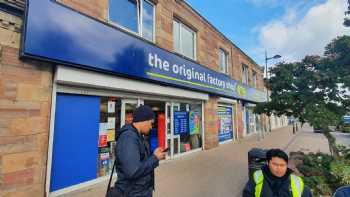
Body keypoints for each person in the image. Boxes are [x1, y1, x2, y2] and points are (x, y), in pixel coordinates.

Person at [114, 105, 166, 197]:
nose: (151, 127)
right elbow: (132, 171)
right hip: (132, 193)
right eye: (151, 123)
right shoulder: (128, 138)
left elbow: (142, 161)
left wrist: (155, 155)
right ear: (143, 121)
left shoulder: (139, 136)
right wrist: (154, 158)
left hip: (141, 191)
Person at [243, 148, 312, 197]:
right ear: (267, 163)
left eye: (282, 165)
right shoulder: (256, 179)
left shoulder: (297, 182)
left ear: (286, 165)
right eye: (275, 164)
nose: (279, 168)